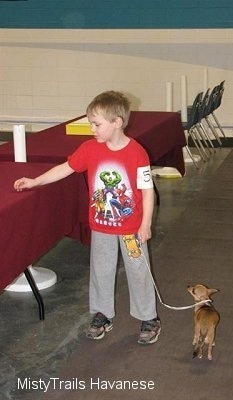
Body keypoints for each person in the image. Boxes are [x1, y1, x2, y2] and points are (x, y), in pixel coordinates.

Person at [14, 91, 161, 345]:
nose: (92, 129)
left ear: (117, 122)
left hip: (131, 229)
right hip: (102, 226)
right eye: (90, 123)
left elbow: (147, 191)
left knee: (138, 271)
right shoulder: (90, 148)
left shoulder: (137, 153)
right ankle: (102, 313)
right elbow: (65, 168)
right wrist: (35, 181)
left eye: (96, 124)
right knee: (100, 270)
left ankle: (148, 317)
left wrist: (145, 223)